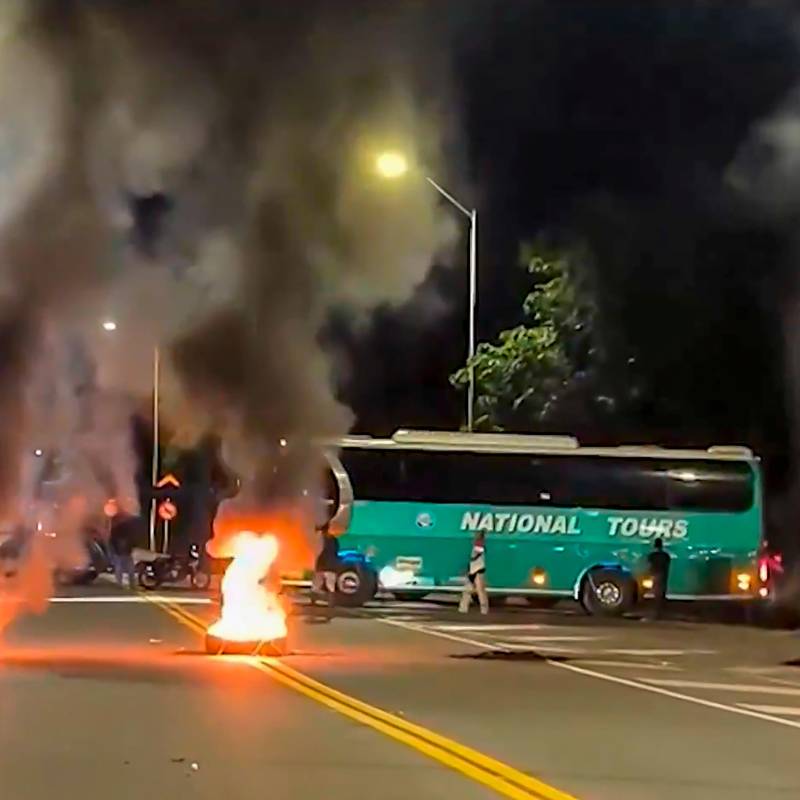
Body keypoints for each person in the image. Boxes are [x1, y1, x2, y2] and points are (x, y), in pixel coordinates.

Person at [109, 508, 140, 590]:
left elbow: (112, 539)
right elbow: (113, 539)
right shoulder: (122, 528)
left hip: (123, 551)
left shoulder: (117, 528)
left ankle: (123, 584)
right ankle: (129, 584)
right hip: (123, 551)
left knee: (123, 568)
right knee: (128, 569)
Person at [459, 532, 489, 614]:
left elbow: (475, 556)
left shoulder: (479, 546)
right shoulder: (476, 546)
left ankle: (484, 609)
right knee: (468, 590)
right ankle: (463, 608)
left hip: (478, 571)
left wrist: (471, 559)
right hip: (473, 570)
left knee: (479, 591)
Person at [310, 525, 339, 607]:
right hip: (331, 566)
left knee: (316, 585)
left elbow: (317, 551)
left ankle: (314, 602)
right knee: (330, 586)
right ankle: (331, 603)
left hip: (322, 566)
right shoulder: (334, 540)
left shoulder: (321, 540)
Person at [646, 537, 671, 619]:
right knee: (662, 594)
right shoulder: (666, 555)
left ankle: (656, 613)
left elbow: (650, 566)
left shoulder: (652, 555)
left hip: (655, 576)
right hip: (663, 576)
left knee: (656, 594)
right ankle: (662, 612)